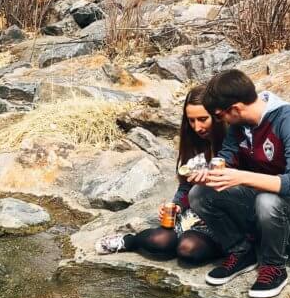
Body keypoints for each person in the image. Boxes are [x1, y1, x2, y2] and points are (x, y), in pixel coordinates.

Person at [187, 69, 290, 298]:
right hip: (261, 214)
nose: (219, 122)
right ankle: (242, 251)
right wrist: (206, 172)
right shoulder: (238, 127)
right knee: (199, 194)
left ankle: (273, 266)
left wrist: (241, 177)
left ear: (236, 109)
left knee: (267, 200)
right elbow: (226, 158)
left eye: (219, 116)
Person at [95, 85, 224, 266]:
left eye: (203, 119)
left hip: (222, 221)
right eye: (191, 121)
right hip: (193, 215)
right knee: (160, 241)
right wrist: (177, 205)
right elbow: (186, 186)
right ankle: (129, 240)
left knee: (188, 249)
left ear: (218, 116)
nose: (197, 127)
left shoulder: (232, 143)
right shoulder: (195, 143)